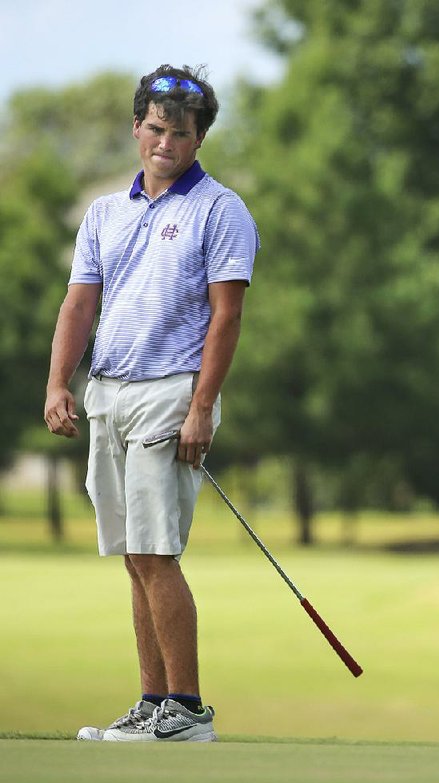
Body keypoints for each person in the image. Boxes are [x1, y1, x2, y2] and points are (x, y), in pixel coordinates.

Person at [43, 64, 260, 742]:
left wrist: (202, 406)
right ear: (138, 128)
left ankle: (188, 707)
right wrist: (58, 383)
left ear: (200, 140)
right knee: (135, 555)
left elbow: (226, 318)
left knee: (156, 552)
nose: (166, 142)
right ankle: (152, 701)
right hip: (108, 391)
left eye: (181, 133)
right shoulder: (105, 212)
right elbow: (80, 304)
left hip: (172, 392)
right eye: (156, 129)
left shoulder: (220, 210)